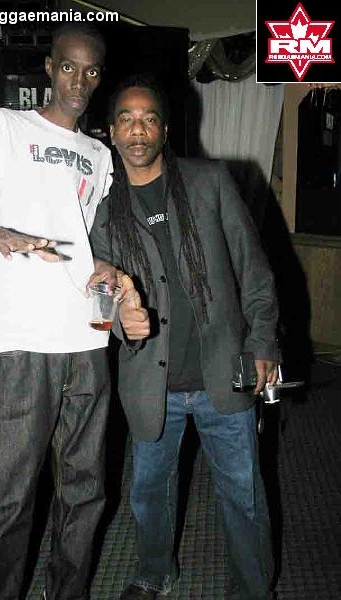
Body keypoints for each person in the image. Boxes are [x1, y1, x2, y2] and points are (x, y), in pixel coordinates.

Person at [0, 23, 147, 600]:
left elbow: (89, 245)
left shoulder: (99, 154)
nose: (79, 81)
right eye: (68, 67)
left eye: (91, 71)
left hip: (87, 337)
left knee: (85, 491)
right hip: (20, 340)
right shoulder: (3, 125)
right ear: (49, 68)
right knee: (9, 497)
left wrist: (107, 271)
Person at [90, 75, 280, 600]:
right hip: (153, 383)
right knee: (149, 494)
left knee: (243, 494)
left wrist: (264, 343)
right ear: (111, 132)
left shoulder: (208, 181)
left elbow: (253, 268)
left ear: (165, 130)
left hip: (224, 371)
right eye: (126, 119)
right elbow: (101, 289)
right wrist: (119, 319)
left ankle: (253, 588)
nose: (137, 130)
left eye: (148, 118)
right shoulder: (104, 209)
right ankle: (155, 572)